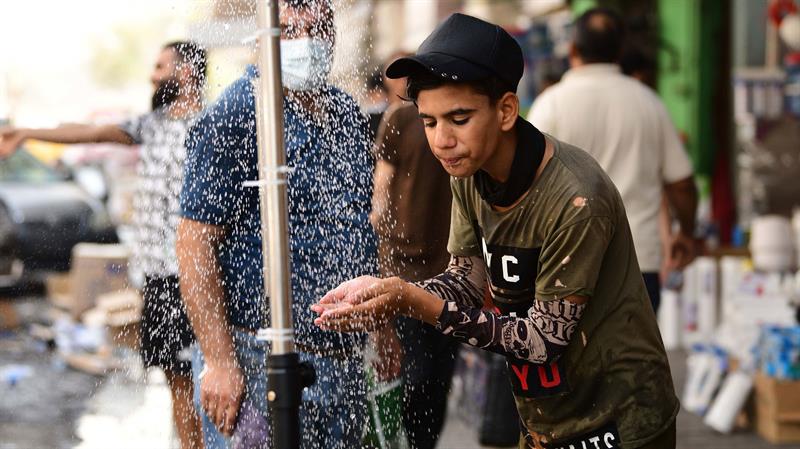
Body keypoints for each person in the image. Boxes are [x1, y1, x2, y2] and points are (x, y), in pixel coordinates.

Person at [313, 12, 678, 449]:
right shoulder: (468, 172)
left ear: (506, 109)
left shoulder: (577, 197)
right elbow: (466, 281)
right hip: (547, 417)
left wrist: (412, 301)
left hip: (622, 419)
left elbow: (543, 340)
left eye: (459, 118)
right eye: (429, 122)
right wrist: (389, 294)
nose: (441, 140)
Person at [175, 1, 377, 448]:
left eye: (317, 21)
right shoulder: (236, 114)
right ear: (265, 29)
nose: (306, 34)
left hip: (340, 363)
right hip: (258, 359)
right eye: (290, 22)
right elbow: (194, 245)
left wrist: (380, 329)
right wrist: (220, 360)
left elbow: (356, 225)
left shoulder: (344, 112)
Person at [0, 41, 206, 449]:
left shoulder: (213, 123)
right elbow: (89, 132)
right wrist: (25, 133)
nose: (153, 75)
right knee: (176, 376)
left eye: (160, 66)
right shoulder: (153, 124)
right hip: (160, 277)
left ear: (187, 72)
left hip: (201, 275)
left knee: (206, 376)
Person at [526, 8, 698, 311]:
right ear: (619, 51)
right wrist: (686, 232)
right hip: (638, 263)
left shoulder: (550, 105)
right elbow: (682, 184)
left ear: (573, 48)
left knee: (570, 358)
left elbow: (526, 187)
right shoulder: (649, 103)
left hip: (565, 263)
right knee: (631, 358)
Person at [370, 99, 457, 449]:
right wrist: (379, 250)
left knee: (439, 378)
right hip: (403, 268)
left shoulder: (464, 118)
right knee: (416, 374)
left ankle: (424, 443)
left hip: (453, 272)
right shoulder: (402, 117)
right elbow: (382, 187)